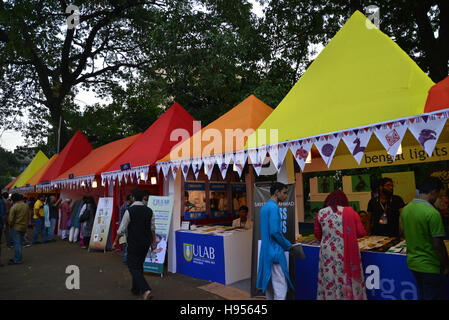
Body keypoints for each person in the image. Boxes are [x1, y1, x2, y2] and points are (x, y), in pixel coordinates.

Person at [401, 176, 449, 300]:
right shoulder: (432, 213)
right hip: (430, 266)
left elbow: (403, 232)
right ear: (434, 192)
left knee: (423, 295)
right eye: (438, 194)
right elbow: (438, 245)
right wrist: (446, 265)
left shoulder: (406, 209)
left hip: (413, 263)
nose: (438, 198)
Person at [314, 190, 367, 300]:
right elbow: (362, 232)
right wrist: (348, 234)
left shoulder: (321, 213)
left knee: (329, 278)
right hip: (346, 252)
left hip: (327, 253)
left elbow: (318, 235)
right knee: (346, 278)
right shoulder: (351, 212)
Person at [112, 188, 156, 300]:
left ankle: (145, 289)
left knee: (132, 266)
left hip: (134, 243)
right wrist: (153, 242)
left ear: (133, 198)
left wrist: (115, 241)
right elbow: (152, 229)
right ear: (142, 198)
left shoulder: (129, 211)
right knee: (138, 265)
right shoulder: (149, 211)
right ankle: (135, 289)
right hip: (146, 243)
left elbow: (121, 229)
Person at [257, 182, 293, 300]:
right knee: (280, 286)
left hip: (266, 251)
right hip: (275, 252)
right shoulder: (274, 207)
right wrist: (288, 245)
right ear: (276, 192)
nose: (286, 195)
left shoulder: (265, 207)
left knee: (270, 287)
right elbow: (275, 232)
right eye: (284, 192)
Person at [8, 193, 29, 265]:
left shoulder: (14, 207)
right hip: (23, 227)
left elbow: (10, 220)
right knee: (19, 243)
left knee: (17, 243)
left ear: (13, 199)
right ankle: (18, 257)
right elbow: (28, 216)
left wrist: (10, 225)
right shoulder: (26, 205)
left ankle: (17, 259)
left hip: (16, 227)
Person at [119, 194, 133, 263]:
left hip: (128, 227)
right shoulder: (125, 207)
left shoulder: (127, 206)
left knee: (128, 243)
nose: (133, 199)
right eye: (131, 198)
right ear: (129, 199)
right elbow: (121, 219)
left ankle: (127, 259)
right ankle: (126, 259)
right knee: (126, 244)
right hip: (126, 227)